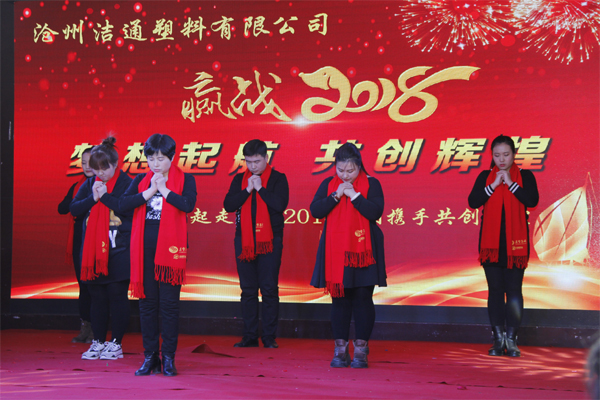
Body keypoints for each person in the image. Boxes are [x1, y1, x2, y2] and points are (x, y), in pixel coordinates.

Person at [120, 133, 197, 377]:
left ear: (172, 158)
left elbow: (188, 205)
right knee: (147, 305)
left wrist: (163, 189)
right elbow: (123, 204)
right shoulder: (141, 180)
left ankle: (169, 358)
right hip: (144, 249)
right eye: (151, 158)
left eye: (161, 158)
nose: (155, 164)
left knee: (169, 306)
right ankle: (150, 356)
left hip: (170, 251)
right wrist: (150, 190)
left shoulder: (186, 179)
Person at [309, 142, 386, 368]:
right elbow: (315, 210)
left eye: (350, 171)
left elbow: (376, 212)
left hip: (364, 251)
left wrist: (354, 196)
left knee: (362, 297)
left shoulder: (372, 183)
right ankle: (340, 351)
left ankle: (361, 351)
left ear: (359, 167)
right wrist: (336, 196)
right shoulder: (328, 184)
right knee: (340, 298)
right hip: (336, 249)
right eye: (340, 170)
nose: (345, 175)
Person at [468, 135, 539, 357]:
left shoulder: (525, 176)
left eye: (506, 154)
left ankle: (512, 340)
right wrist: (494, 185)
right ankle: (498, 340)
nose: (501, 159)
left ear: (514, 154)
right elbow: (473, 202)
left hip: (515, 245)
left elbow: (532, 201)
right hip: (492, 245)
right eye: (497, 155)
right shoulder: (485, 176)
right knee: (495, 291)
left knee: (514, 291)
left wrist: (510, 183)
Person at [70, 137, 133, 360]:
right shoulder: (90, 184)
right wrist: (93, 198)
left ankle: (115, 343)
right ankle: (97, 342)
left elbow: (129, 209)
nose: (100, 173)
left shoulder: (127, 183)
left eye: (104, 168)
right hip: (93, 251)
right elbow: (74, 209)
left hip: (119, 249)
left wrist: (105, 197)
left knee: (117, 295)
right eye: (96, 169)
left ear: (115, 164)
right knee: (96, 297)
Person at [223, 139, 289, 349]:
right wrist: (247, 190)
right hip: (244, 240)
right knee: (248, 289)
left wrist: (260, 189)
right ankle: (250, 336)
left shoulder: (278, 178)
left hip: (270, 241)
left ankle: (269, 337)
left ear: (266, 158)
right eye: (249, 162)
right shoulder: (240, 180)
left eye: (257, 162)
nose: (253, 166)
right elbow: (228, 205)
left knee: (269, 288)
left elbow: (280, 205)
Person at [58, 147, 95, 343]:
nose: (87, 167)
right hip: (79, 241)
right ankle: (85, 326)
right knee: (83, 286)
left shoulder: (106, 185)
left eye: (91, 162)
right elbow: (62, 208)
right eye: (83, 163)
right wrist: (77, 201)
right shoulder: (77, 186)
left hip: (99, 242)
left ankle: (97, 329)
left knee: (97, 288)